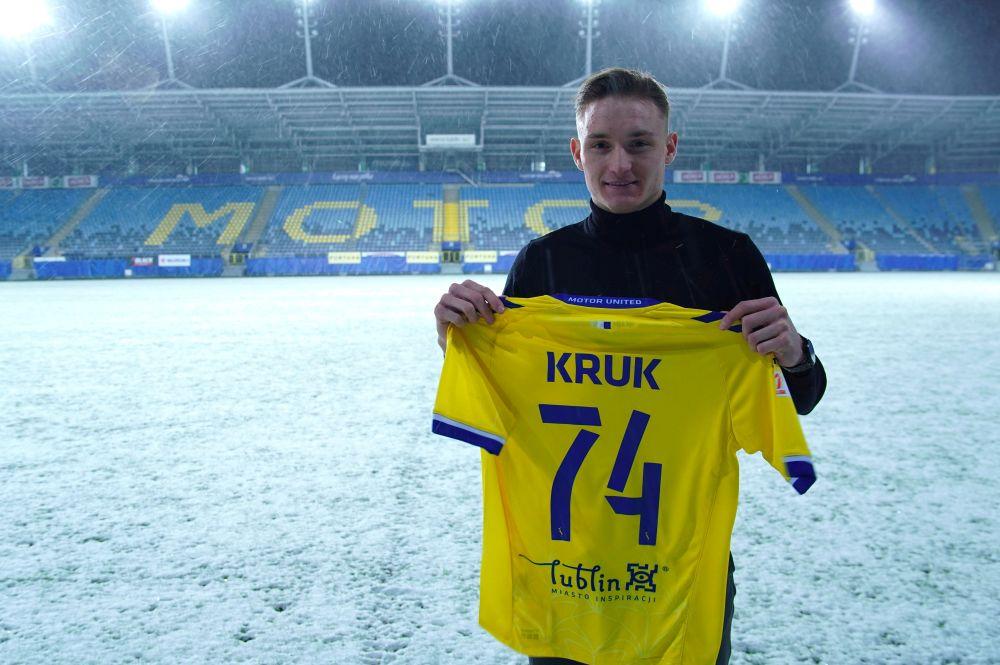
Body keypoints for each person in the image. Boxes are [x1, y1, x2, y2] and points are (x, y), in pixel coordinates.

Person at [433, 67, 827, 665]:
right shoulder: (542, 263)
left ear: (669, 147)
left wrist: (795, 353)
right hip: (563, 568)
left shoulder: (727, 256)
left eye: (639, 143)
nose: (619, 164)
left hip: (680, 570)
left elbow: (802, 395)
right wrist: (460, 344)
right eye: (601, 145)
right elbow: (512, 406)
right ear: (577, 153)